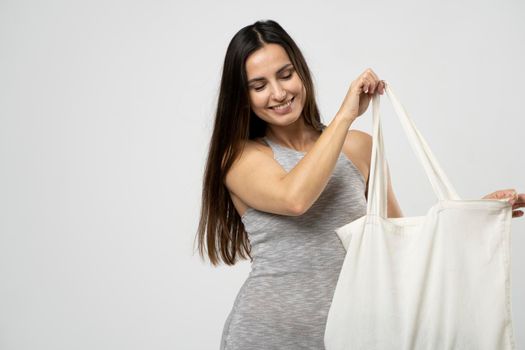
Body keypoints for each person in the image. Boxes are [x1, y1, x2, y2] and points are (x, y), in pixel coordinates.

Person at [195, 19, 525, 350]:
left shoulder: (359, 148)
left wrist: (476, 216)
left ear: (301, 72)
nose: (279, 93)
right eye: (259, 85)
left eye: (285, 75)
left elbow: (401, 245)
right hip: (266, 336)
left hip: (351, 337)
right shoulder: (239, 157)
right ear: (243, 96)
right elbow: (294, 198)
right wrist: (345, 115)